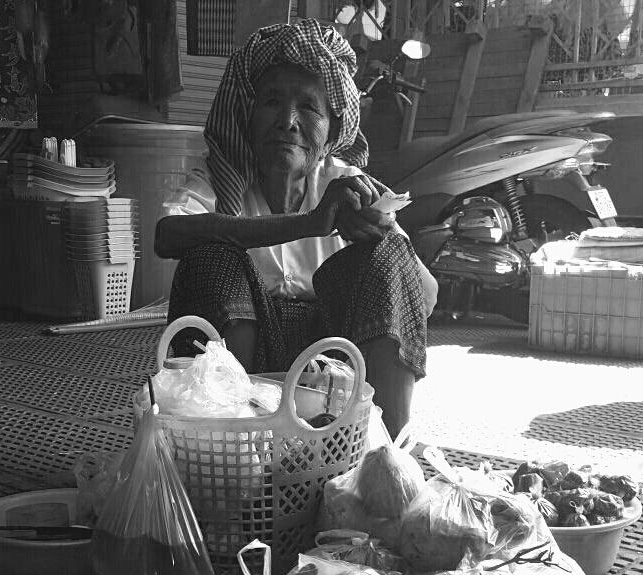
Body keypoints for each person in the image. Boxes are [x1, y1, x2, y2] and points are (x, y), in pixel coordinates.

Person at [154, 19, 437, 438]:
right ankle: (238, 443)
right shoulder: (221, 178)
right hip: (245, 364)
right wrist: (308, 224)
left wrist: (386, 237)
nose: (288, 121)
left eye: (308, 107)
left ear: (331, 130)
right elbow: (166, 236)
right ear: (247, 117)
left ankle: (384, 454)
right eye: (271, 102)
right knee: (209, 253)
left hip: (337, 366)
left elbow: (427, 295)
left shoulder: (349, 188)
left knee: (389, 256)